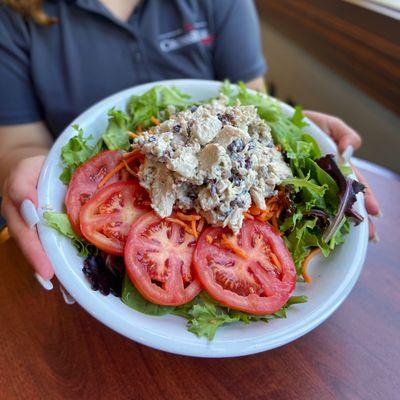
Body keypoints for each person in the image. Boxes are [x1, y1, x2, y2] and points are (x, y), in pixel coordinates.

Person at [0, 0, 380, 290]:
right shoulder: (12, 16)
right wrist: (24, 164)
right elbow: (21, 141)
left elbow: (251, 104)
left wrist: (299, 131)